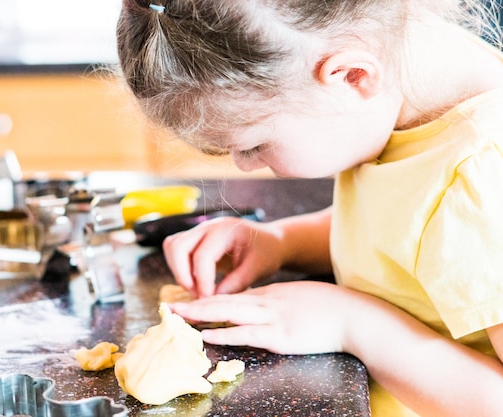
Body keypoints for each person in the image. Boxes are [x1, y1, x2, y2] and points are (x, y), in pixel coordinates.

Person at [116, 1, 503, 416]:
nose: (243, 164)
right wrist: (282, 241)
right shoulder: (406, 85)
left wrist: (352, 324)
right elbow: (416, 234)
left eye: (253, 145)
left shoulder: (481, 179)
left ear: (352, 76)